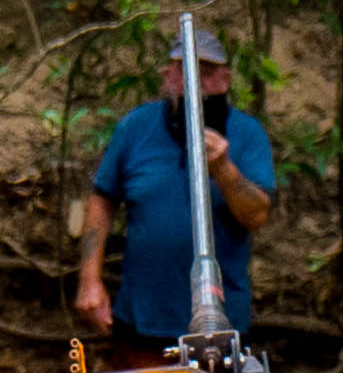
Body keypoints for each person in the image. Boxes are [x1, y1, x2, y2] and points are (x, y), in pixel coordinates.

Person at [75, 27, 277, 356]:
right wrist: (89, 280)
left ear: (225, 80)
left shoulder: (247, 134)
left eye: (207, 73)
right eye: (186, 71)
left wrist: (224, 169)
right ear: (168, 76)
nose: (196, 83)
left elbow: (257, 215)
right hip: (142, 319)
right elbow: (103, 198)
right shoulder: (136, 127)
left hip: (220, 325)